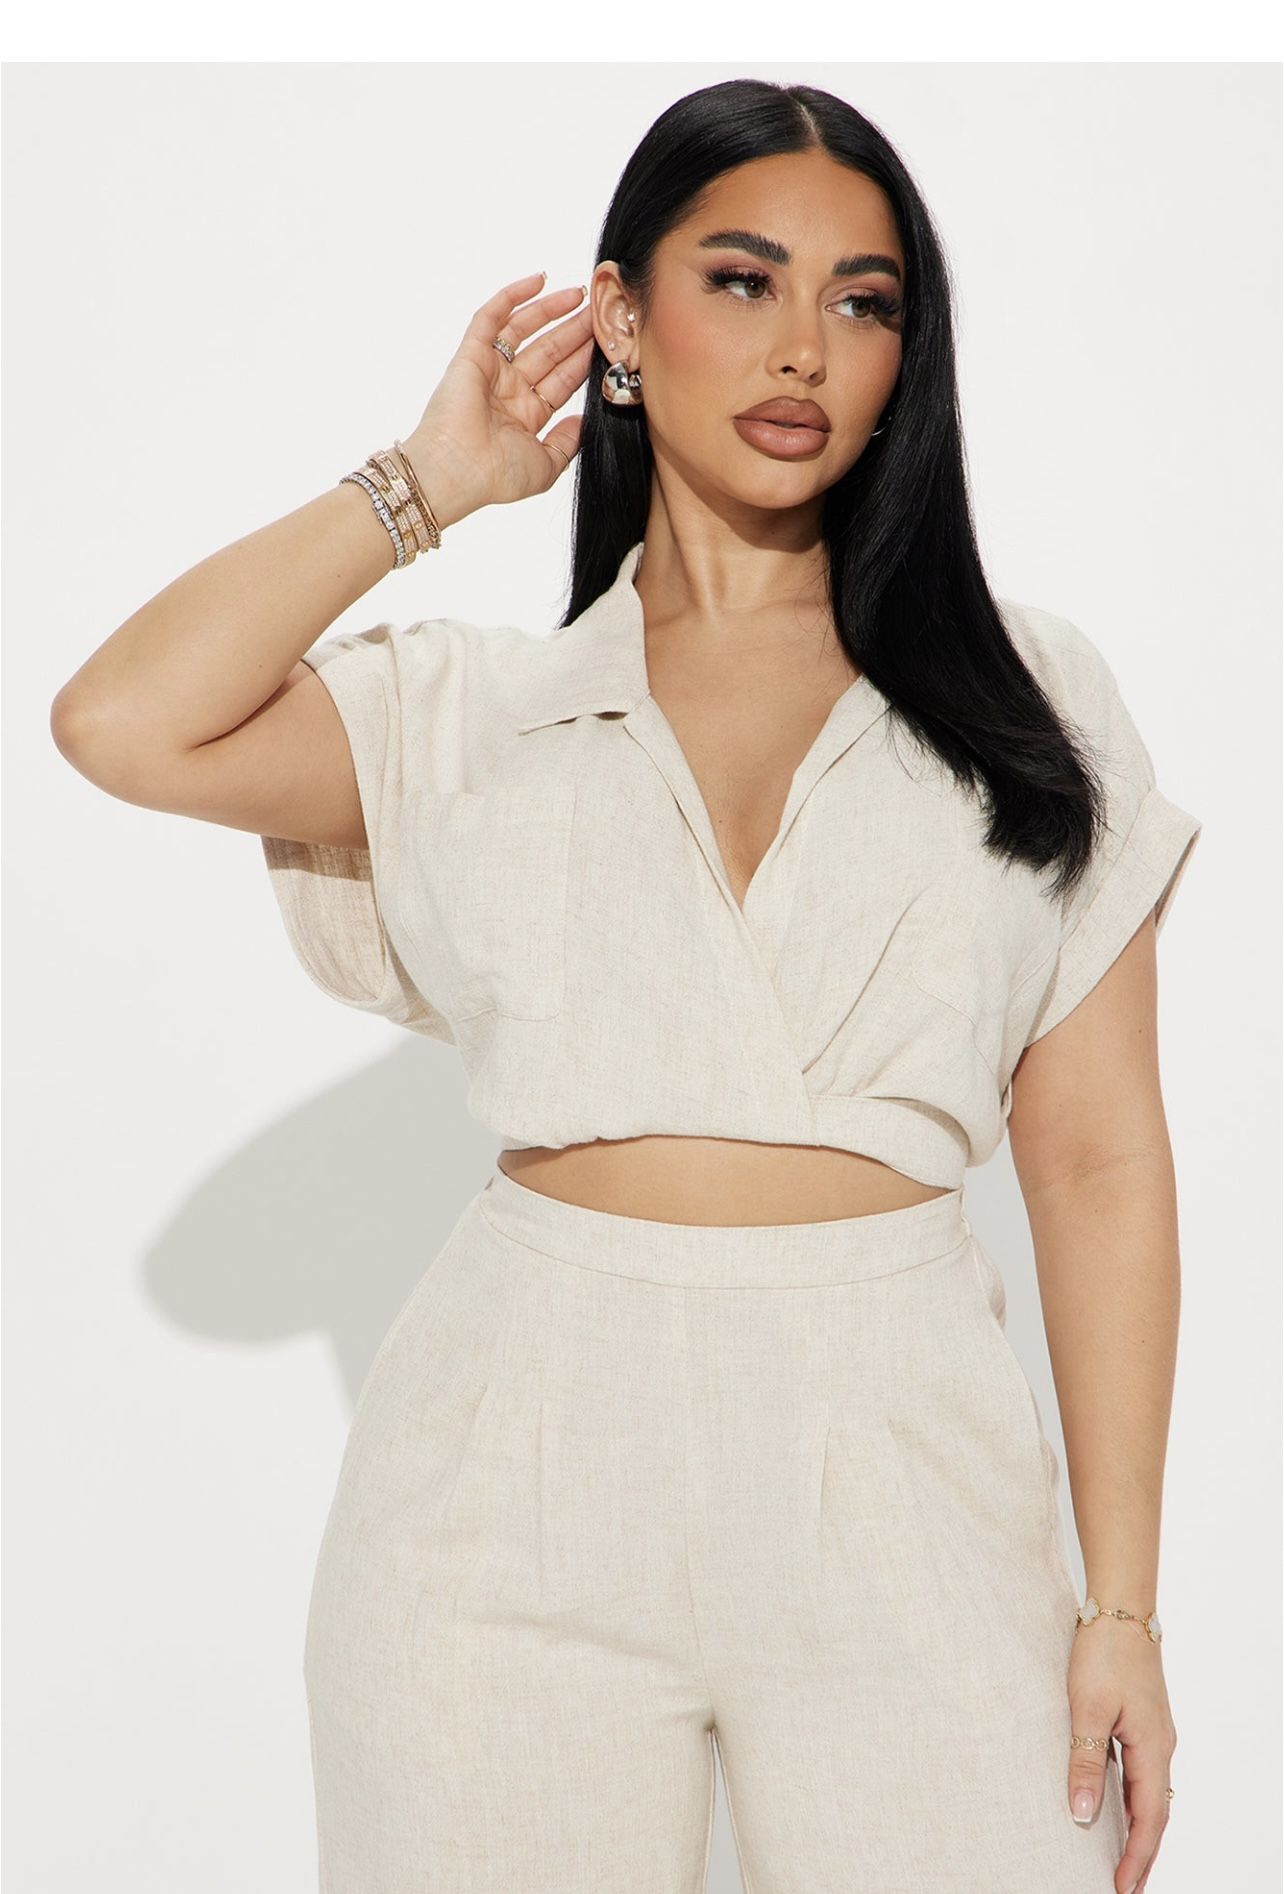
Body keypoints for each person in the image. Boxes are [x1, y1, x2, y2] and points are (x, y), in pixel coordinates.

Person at [51, 79, 1197, 1894]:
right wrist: (428, 485)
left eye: (862, 300)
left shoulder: (1028, 706)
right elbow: (122, 721)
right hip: (506, 1481)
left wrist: (1121, 1605)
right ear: (622, 322)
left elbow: (1100, 1165)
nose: (803, 345)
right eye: (741, 279)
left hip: (910, 1466)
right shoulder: (475, 712)